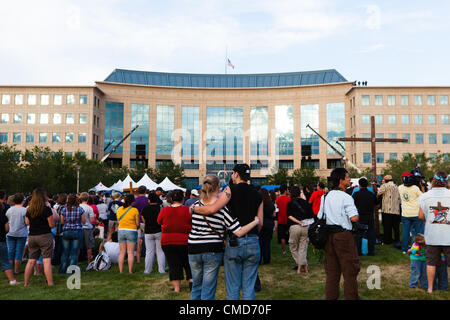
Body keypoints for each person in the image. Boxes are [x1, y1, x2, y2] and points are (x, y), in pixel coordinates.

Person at [192, 164, 263, 300]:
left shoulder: (230, 191)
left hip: (234, 242)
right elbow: (260, 222)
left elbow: (213, 209)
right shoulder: (257, 194)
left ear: (235, 174)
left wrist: (193, 208)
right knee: (249, 286)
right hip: (253, 240)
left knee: (233, 285)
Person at [317, 168, 360, 300]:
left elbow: (319, 215)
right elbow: (354, 218)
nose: (349, 180)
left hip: (328, 236)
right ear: (341, 181)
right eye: (347, 177)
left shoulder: (325, 196)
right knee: (350, 271)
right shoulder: (346, 197)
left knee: (332, 272)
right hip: (343, 235)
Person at [418, 171, 450, 293]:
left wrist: (431, 218)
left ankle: (430, 288)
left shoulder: (424, 196)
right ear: (446, 181)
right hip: (448, 234)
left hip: (432, 235)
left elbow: (420, 216)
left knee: (431, 262)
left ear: (433, 181)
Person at [158, 189, 193, 292]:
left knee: (173, 265)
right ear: (183, 198)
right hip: (185, 241)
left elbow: (159, 221)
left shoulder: (164, 210)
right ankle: (192, 283)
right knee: (188, 264)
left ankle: (177, 288)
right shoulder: (187, 210)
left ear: (171, 199)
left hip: (168, 241)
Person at [24, 188, 55, 286]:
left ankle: (26, 283)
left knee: (31, 261)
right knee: (46, 260)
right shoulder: (46, 209)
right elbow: (51, 225)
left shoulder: (29, 209)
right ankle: (50, 283)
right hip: (44, 236)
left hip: (32, 236)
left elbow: (27, 223)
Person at [287, 185, 315, 274]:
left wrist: (299, 222)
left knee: (293, 247)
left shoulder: (290, 203)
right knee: (303, 248)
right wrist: (303, 222)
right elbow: (312, 216)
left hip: (295, 227)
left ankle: (300, 266)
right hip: (305, 227)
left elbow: (289, 216)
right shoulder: (305, 202)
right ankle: (304, 266)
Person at [59, 194, 86, 274]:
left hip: (67, 230)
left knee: (65, 252)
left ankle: (63, 269)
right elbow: (83, 221)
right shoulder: (80, 209)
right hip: (77, 231)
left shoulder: (64, 209)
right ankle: (71, 270)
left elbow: (62, 222)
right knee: (74, 252)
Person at [398, 172, 424, 254]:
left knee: (405, 232)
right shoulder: (415, 188)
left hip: (405, 213)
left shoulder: (400, 188)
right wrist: (422, 186)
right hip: (416, 213)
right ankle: (418, 248)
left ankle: (404, 249)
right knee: (418, 232)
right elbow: (422, 197)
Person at [352, 178, 378, 256]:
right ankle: (371, 251)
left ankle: (359, 251)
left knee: (359, 234)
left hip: (360, 216)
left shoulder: (356, 194)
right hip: (370, 216)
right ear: (367, 185)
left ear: (359, 185)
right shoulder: (371, 194)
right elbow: (377, 204)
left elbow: (352, 205)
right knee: (370, 234)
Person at [141, 191, 165, 274]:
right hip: (158, 231)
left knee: (149, 251)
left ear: (149, 200)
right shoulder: (160, 208)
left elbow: (143, 219)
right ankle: (161, 270)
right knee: (160, 251)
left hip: (148, 231)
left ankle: (147, 270)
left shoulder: (145, 208)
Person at [117, 194, 140, 274]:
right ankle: (130, 271)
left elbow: (118, 221)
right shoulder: (135, 210)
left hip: (121, 230)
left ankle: (121, 271)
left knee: (122, 252)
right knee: (130, 252)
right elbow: (137, 223)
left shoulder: (119, 209)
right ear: (132, 202)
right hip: (131, 230)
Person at [5, 193, 28, 274]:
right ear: (23, 200)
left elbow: (7, 221)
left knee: (10, 252)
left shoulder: (9, 210)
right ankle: (17, 271)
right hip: (21, 233)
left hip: (10, 233)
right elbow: (27, 222)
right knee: (19, 253)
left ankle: (10, 270)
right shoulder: (24, 210)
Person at [377, 174, 401, 248]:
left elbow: (378, 193)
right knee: (396, 227)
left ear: (386, 180)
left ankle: (388, 240)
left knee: (387, 226)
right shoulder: (396, 186)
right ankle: (397, 240)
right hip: (396, 209)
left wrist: (378, 187)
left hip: (387, 210)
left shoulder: (385, 186)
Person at [0, 202, 18, 285]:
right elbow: (7, 229)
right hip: (1, 241)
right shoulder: (3, 217)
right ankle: (12, 280)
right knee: (5, 261)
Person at [259, 188, 275, 265]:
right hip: (269, 224)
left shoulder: (259, 203)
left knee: (260, 243)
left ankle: (259, 259)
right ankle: (267, 259)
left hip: (261, 223)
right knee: (267, 243)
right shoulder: (271, 203)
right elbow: (274, 214)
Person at [133, 186, 148, 264]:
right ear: (145, 191)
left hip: (138, 221)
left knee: (138, 239)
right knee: (147, 238)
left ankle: (138, 258)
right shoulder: (147, 200)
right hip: (146, 221)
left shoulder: (136, 200)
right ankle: (147, 254)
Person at [79, 192, 96, 264]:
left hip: (79, 227)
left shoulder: (78, 206)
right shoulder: (89, 208)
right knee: (89, 246)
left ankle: (76, 262)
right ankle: (89, 262)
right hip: (87, 228)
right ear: (88, 199)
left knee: (78, 246)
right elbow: (92, 220)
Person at [51, 193, 67, 266]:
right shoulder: (64, 208)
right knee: (60, 247)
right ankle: (57, 261)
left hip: (54, 228)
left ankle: (55, 260)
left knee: (56, 246)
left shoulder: (54, 206)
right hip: (61, 228)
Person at [275, 185, 291, 255]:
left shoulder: (277, 199)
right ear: (285, 191)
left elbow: (276, 209)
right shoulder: (289, 199)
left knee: (282, 236)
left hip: (280, 219)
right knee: (291, 235)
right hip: (288, 219)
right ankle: (292, 249)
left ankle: (284, 251)